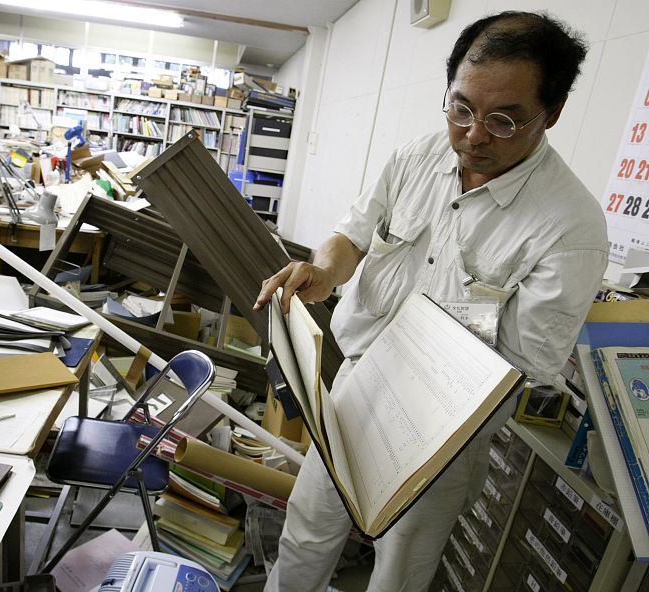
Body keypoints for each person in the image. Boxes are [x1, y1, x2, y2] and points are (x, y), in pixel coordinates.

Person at [253, 11, 608, 592]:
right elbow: (353, 236)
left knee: (398, 573)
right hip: (355, 392)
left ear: (553, 114)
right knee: (308, 529)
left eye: (503, 120)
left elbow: (528, 366)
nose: (473, 134)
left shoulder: (570, 227)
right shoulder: (416, 158)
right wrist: (323, 270)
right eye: (461, 108)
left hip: (442, 435)